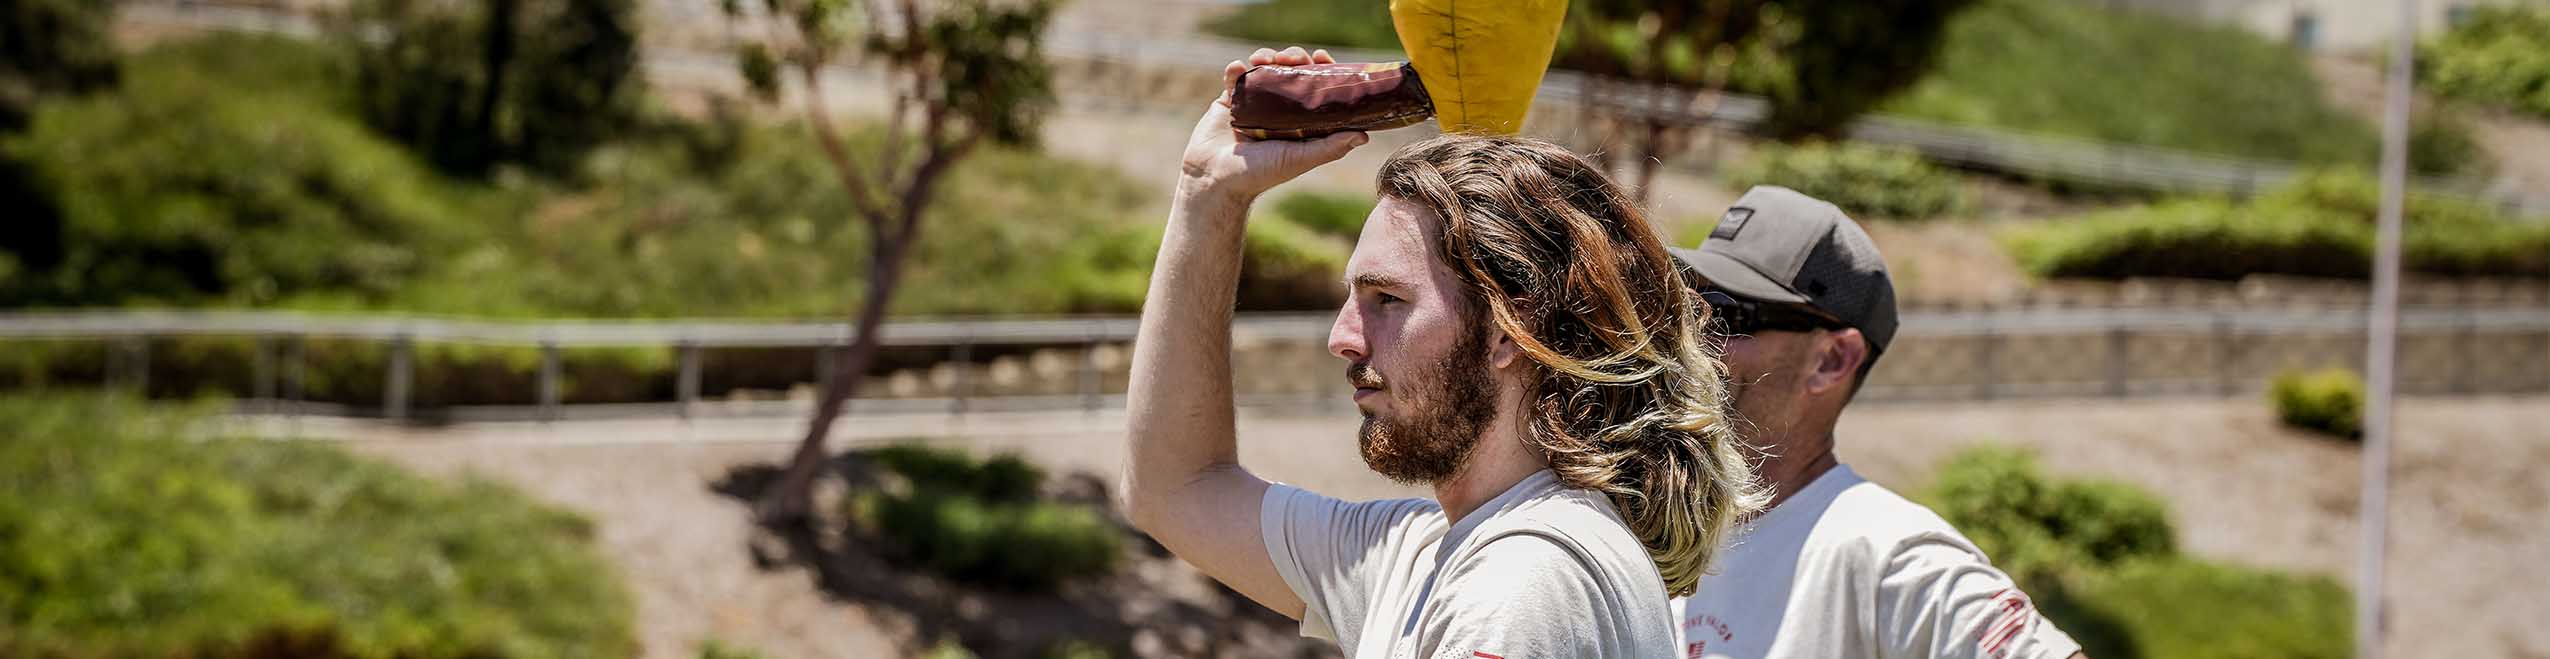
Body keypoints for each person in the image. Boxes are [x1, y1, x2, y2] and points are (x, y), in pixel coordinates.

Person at [1121, 46, 1762, 659]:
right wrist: (1209, 189)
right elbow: (1175, 489)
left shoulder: (1521, 583)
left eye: (1387, 299)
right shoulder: (1436, 553)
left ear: (1510, 329)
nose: (1343, 337)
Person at [1667, 186, 2085, 659]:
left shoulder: (1891, 555)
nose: (1691, 336)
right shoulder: (1668, 534)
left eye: (1726, 313)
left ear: (1832, 359)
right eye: (1688, 308)